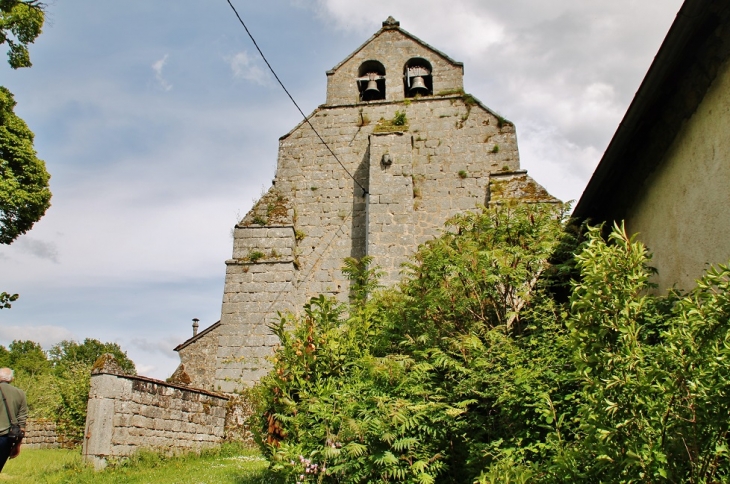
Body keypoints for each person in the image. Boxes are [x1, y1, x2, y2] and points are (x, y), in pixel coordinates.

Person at [0, 368, 27, 472]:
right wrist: (17, 445)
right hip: (7, 438)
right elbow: (22, 421)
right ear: (12, 379)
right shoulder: (20, 393)